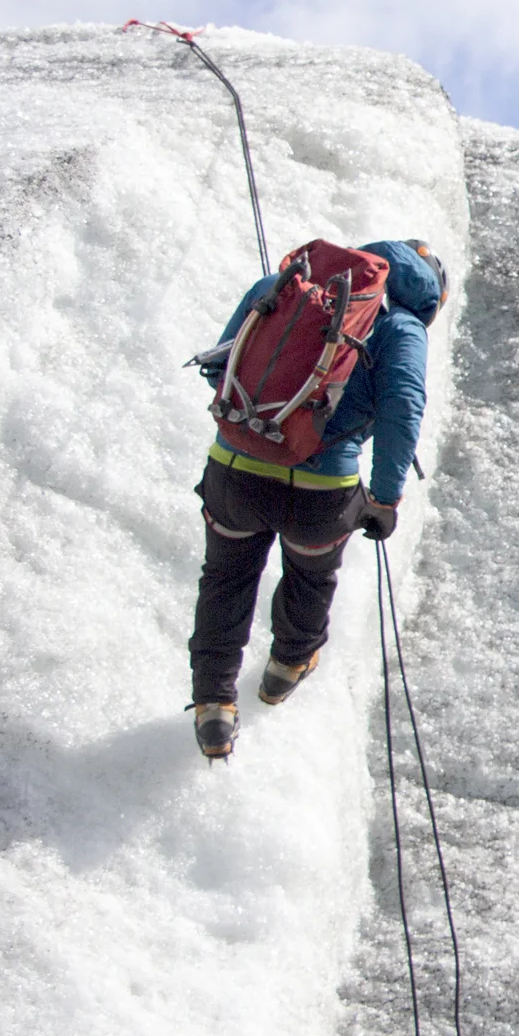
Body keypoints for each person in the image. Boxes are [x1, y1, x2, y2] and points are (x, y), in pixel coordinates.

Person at [186, 238, 447, 759]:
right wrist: (386, 498)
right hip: (320, 491)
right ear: (430, 296)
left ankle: (214, 705)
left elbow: (220, 366)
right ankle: (286, 666)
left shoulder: (281, 288)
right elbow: (402, 408)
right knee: (311, 574)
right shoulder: (401, 328)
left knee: (225, 578)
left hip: (235, 472)